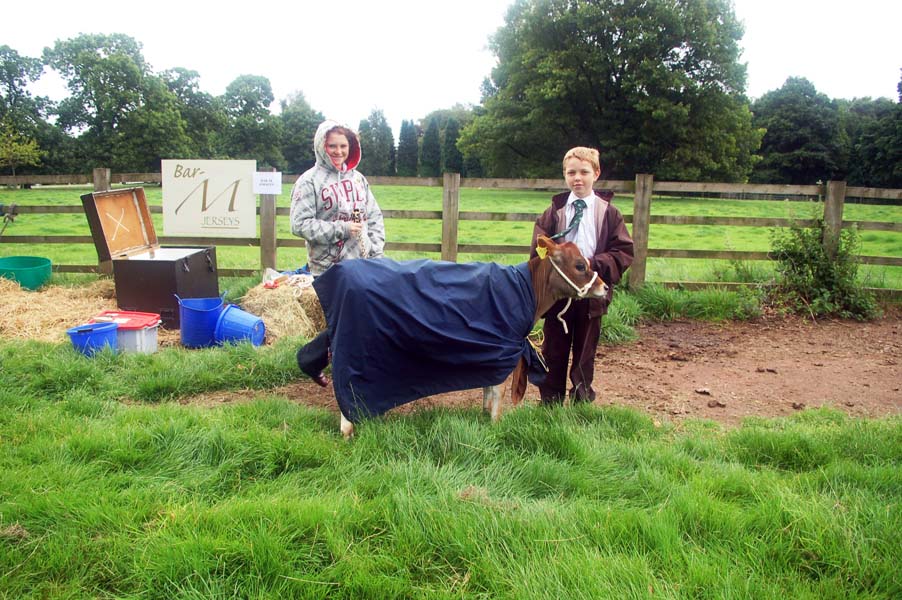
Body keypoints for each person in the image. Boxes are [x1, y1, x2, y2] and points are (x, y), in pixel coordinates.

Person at [530, 146, 634, 404]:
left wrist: (591, 264)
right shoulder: (554, 212)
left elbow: (623, 252)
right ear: (564, 175)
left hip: (592, 293)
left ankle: (581, 401)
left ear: (596, 174)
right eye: (571, 172)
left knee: (585, 351)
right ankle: (550, 402)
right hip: (559, 294)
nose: (577, 178)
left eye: (584, 172)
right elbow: (538, 250)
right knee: (553, 349)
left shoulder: (608, 213)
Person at [291, 120, 386, 386]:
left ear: (351, 147)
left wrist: (375, 245)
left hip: (362, 262)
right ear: (322, 146)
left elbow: (374, 216)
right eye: (332, 145)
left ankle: (314, 360)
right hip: (328, 265)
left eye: (343, 145)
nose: (338, 151)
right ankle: (331, 368)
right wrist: (341, 229)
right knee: (347, 321)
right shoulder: (308, 182)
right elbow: (299, 224)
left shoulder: (358, 180)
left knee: (359, 317)